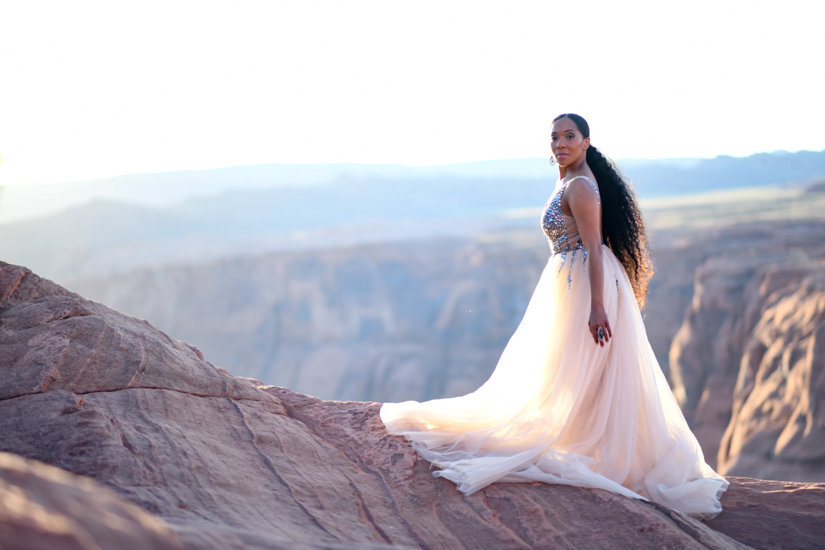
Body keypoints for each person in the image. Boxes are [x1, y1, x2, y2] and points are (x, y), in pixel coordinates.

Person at [380, 113, 728, 518]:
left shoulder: (580, 185)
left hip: (584, 283)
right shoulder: (568, 179)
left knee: (575, 367)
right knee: (566, 369)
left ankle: (594, 451)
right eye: (555, 137)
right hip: (570, 279)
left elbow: (595, 248)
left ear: (586, 141)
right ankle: (577, 440)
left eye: (569, 136)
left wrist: (597, 306)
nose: (560, 143)